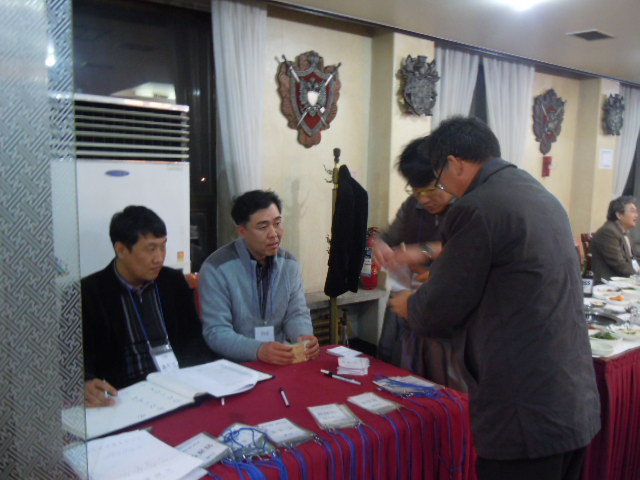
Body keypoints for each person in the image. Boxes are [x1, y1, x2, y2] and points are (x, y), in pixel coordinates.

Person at [389, 117, 600, 480]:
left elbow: (439, 309)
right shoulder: (538, 193)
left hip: (524, 410)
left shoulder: (477, 207)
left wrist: (409, 304)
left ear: (454, 163)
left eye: (439, 178)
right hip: (571, 399)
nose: (442, 188)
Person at [82, 205, 215, 407]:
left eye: (163, 247)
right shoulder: (90, 293)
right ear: (121, 249)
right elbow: (78, 359)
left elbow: (194, 339)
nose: (159, 258)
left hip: (179, 387)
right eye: (151, 249)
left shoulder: (173, 282)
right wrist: (86, 382)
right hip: (124, 395)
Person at [373, 136, 466, 390]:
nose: (423, 199)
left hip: (445, 316)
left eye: (429, 190)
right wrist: (378, 244)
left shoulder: (468, 208)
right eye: (415, 191)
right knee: (397, 375)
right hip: (408, 303)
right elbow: (386, 236)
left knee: (443, 385)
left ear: (446, 176)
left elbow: (469, 248)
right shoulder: (412, 206)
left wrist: (425, 251)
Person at [199, 190, 320, 364]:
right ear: (242, 231)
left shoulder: (289, 264)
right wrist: (258, 350)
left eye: (277, 223)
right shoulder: (217, 268)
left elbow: (297, 313)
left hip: (279, 359)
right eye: (263, 227)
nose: (274, 233)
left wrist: (303, 336)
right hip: (234, 366)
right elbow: (217, 332)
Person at [589, 195, 639, 284]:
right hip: (607, 283)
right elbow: (618, 264)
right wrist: (637, 276)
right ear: (619, 215)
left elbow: (635, 257)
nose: (637, 215)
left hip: (624, 280)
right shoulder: (608, 232)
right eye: (632, 211)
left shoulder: (624, 231)